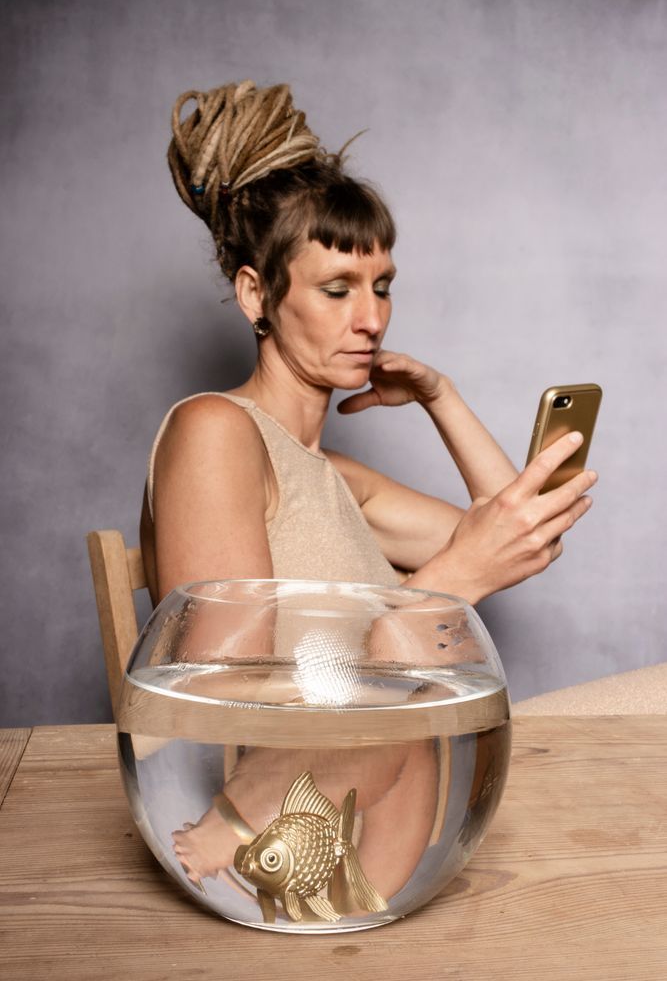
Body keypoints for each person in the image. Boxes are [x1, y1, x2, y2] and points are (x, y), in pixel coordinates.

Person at [140, 80, 597, 896]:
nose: (372, 319)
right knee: (401, 648)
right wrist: (436, 594)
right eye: (337, 289)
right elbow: (213, 688)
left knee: (408, 648)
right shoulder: (216, 430)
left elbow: (525, 537)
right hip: (271, 851)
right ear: (256, 295)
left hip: (367, 858)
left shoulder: (335, 478)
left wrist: (439, 397)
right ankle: (235, 827)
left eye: (380, 286)